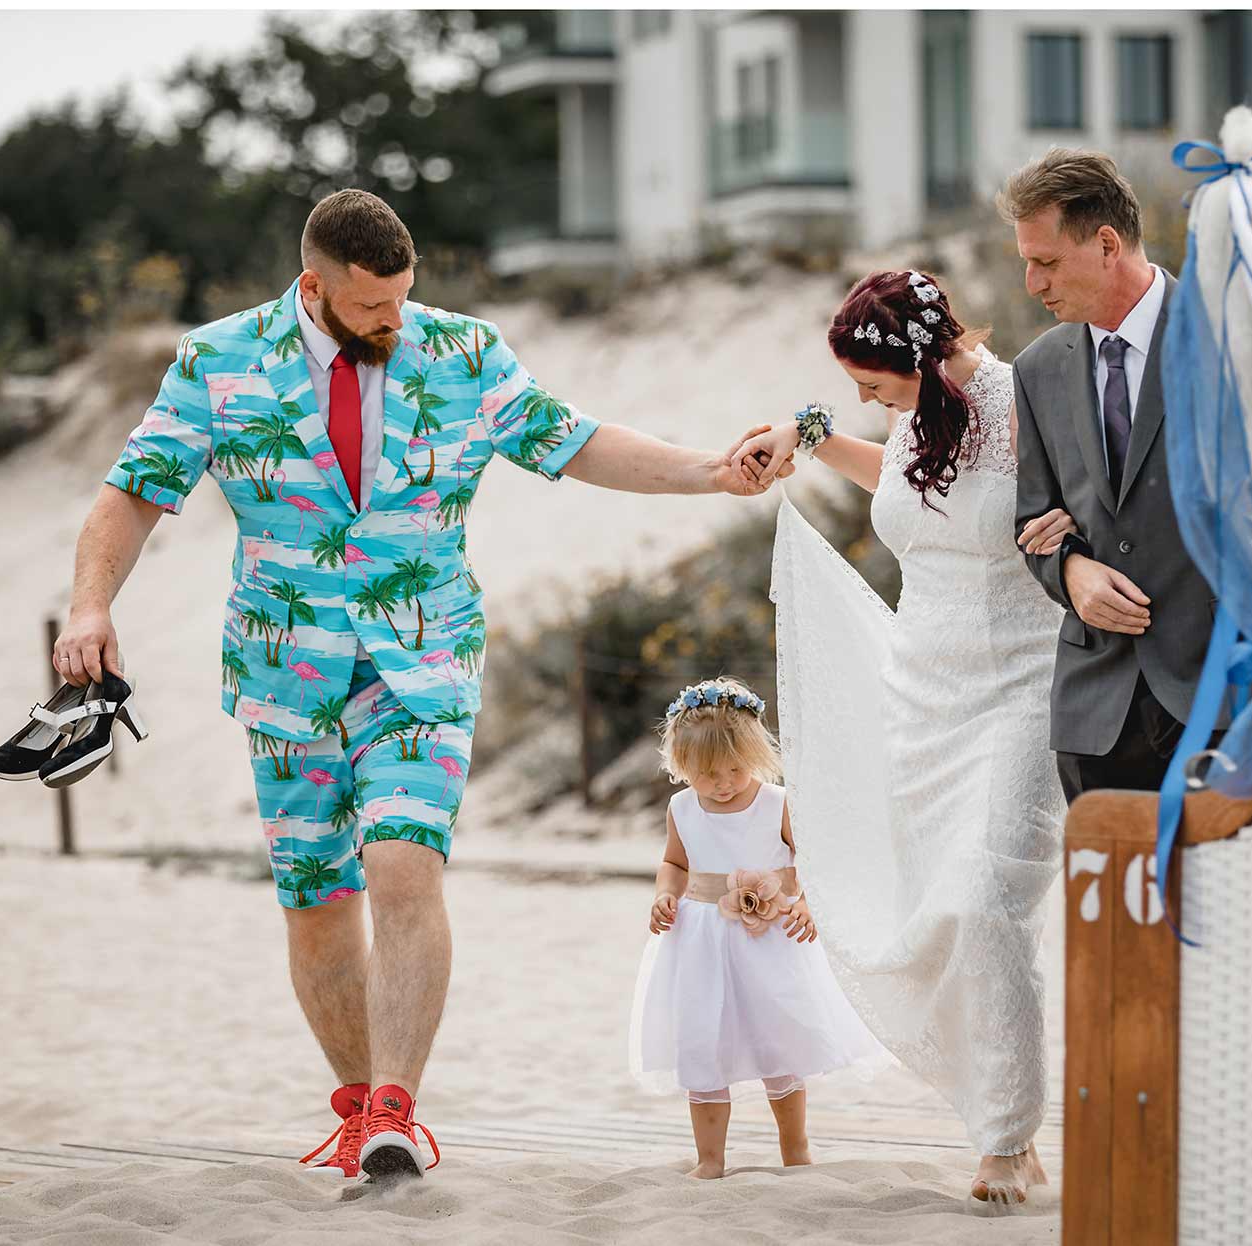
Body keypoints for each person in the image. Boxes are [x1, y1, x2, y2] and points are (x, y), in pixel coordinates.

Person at [50, 189, 786, 1185]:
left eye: (405, 298)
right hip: (285, 669)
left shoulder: (465, 354)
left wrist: (711, 472)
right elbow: (132, 492)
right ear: (314, 288)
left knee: (405, 867)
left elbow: (574, 441)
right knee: (316, 898)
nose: (398, 321)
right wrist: (91, 605)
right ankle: (358, 1105)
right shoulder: (217, 363)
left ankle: (397, 1107)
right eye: (373, 309)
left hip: (425, 659)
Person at [734, 270, 1076, 1204]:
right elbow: (898, 478)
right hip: (920, 695)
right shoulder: (921, 417)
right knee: (938, 913)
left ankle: (1006, 1140)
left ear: (921, 357)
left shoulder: (1030, 398)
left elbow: (1097, 496)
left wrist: (1079, 533)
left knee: (981, 906)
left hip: (1022, 685)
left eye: (873, 385)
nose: (866, 404)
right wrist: (800, 436)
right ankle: (1003, 1119)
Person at [1002, 147, 1222, 801]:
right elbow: (1032, 524)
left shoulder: (1225, 341)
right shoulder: (1036, 370)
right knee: (1113, 909)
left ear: (1105, 244)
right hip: (1095, 718)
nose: (1033, 284)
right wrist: (1071, 570)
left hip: (1218, 699)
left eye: (1045, 262)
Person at [630, 677, 883, 1180]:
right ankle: (710, 1159)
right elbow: (674, 863)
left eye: (735, 769)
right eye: (707, 774)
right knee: (702, 1043)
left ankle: (796, 1147)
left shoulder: (776, 803)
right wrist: (665, 893)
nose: (723, 782)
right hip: (701, 944)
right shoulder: (682, 808)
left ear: (755, 755)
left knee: (778, 1044)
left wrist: (808, 902)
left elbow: (815, 859)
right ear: (682, 766)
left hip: (768, 942)